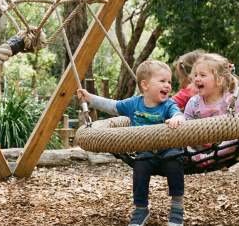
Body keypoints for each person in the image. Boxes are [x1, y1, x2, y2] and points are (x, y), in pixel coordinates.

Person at [77, 60, 186, 226]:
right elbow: (112, 106)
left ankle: (177, 208)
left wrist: (177, 118)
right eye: (162, 81)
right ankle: (141, 209)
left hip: (167, 151)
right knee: (139, 169)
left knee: (175, 164)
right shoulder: (133, 104)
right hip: (145, 153)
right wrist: (90, 98)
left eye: (169, 82)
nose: (168, 85)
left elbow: (178, 114)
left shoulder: (168, 105)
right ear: (145, 85)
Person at [183, 53, 239, 164]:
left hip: (225, 144)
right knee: (179, 147)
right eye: (195, 75)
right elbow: (184, 126)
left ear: (219, 80)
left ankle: (214, 158)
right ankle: (200, 158)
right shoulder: (193, 103)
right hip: (199, 147)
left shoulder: (230, 99)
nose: (197, 79)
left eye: (202, 75)